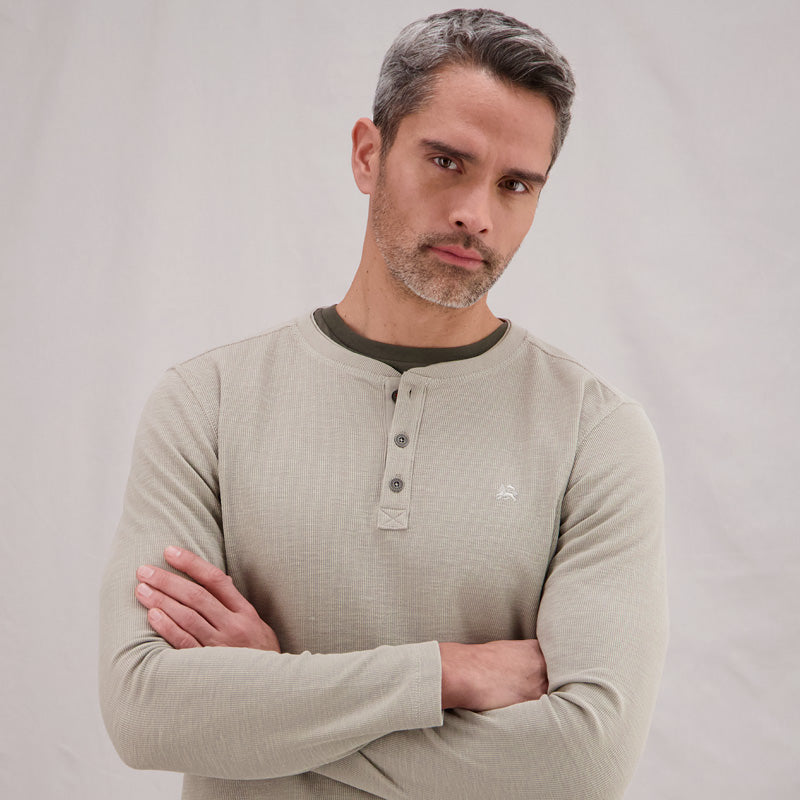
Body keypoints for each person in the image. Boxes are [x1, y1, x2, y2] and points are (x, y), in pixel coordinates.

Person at [99, 9, 668, 799]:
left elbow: (583, 764)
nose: (477, 214)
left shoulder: (595, 434)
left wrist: (270, 687)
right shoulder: (207, 403)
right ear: (369, 154)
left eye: (515, 185)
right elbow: (144, 711)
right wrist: (441, 673)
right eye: (447, 161)